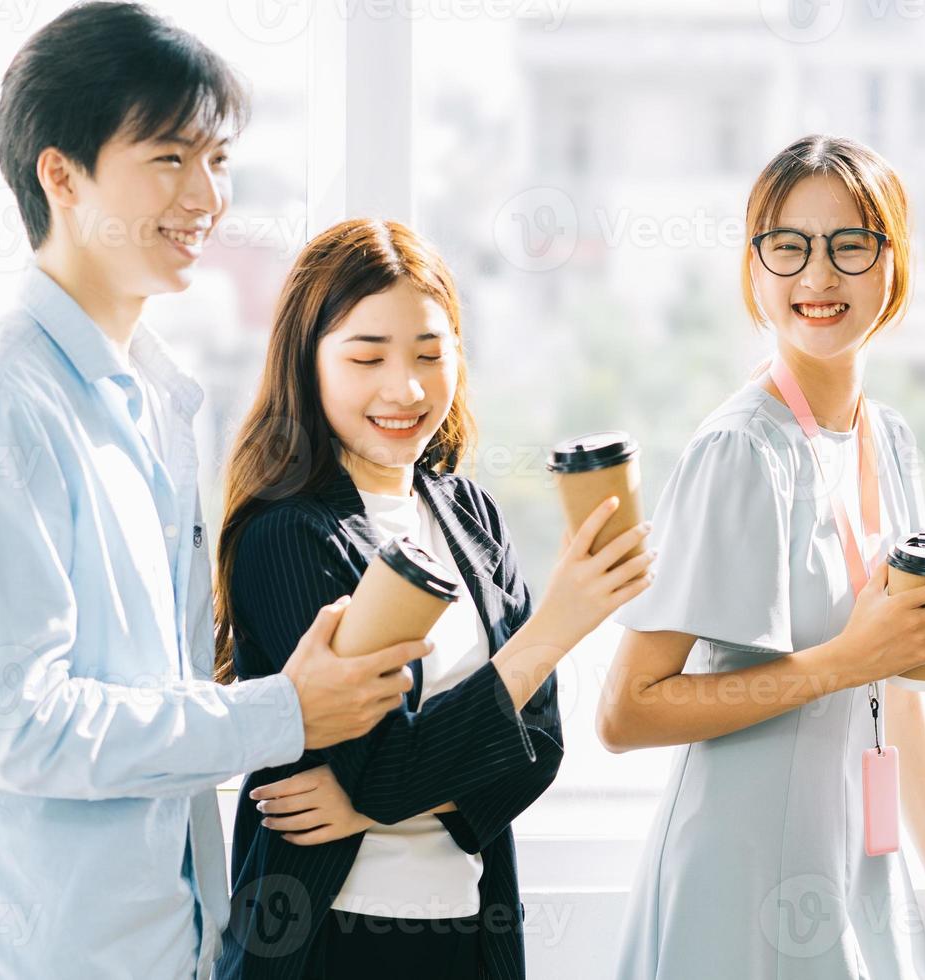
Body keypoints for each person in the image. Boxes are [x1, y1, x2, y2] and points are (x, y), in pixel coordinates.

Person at [0, 6, 428, 977]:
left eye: (217, 160)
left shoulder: (159, 401)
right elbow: (20, 722)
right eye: (169, 157)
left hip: (161, 942)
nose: (207, 196)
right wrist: (283, 710)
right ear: (62, 174)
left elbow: (145, 697)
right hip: (25, 955)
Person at [597, 135, 925, 980]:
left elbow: (898, 695)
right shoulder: (740, 451)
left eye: (850, 245)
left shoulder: (888, 441)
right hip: (736, 882)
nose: (817, 277)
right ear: (754, 268)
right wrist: (843, 661)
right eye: (788, 246)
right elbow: (625, 712)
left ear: (894, 264)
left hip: (854, 863)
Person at [211, 218, 653, 978]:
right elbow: (384, 761)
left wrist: (367, 802)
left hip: (468, 937)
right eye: (366, 356)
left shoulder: (468, 513)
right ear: (307, 362)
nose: (406, 388)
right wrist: (553, 628)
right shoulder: (285, 536)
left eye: (429, 353)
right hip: (326, 942)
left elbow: (537, 750)